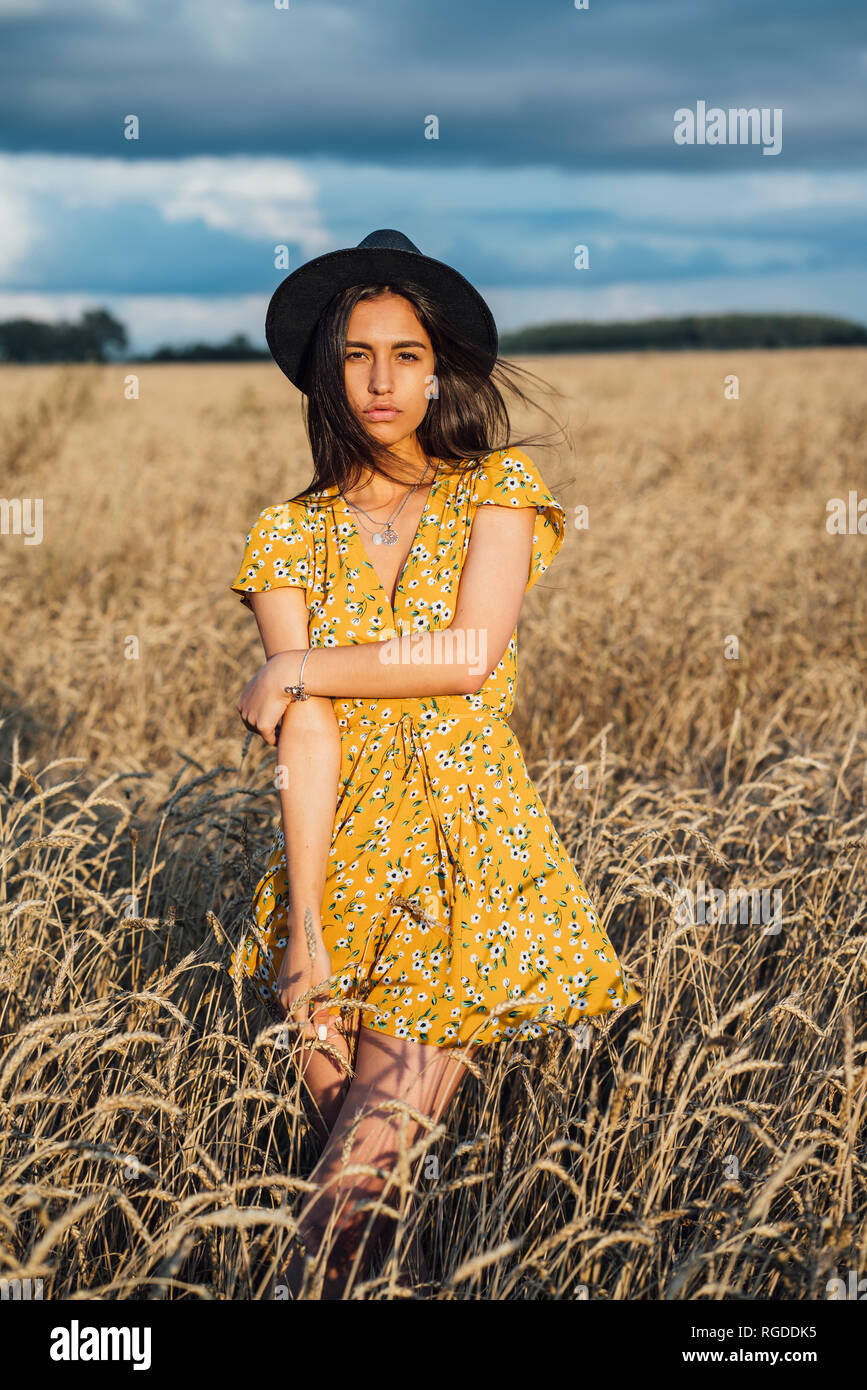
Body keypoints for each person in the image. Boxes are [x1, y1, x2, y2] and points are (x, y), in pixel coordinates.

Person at [228, 229, 642, 1298]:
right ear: (327, 368)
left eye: (405, 353)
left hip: (461, 859)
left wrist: (303, 663)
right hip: (334, 866)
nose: (380, 379)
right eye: (358, 353)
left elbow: (468, 656)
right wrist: (303, 935)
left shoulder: (493, 487)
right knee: (357, 1189)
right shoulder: (288, 534)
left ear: (439, 366)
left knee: (341, 1204)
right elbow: (304, 730)